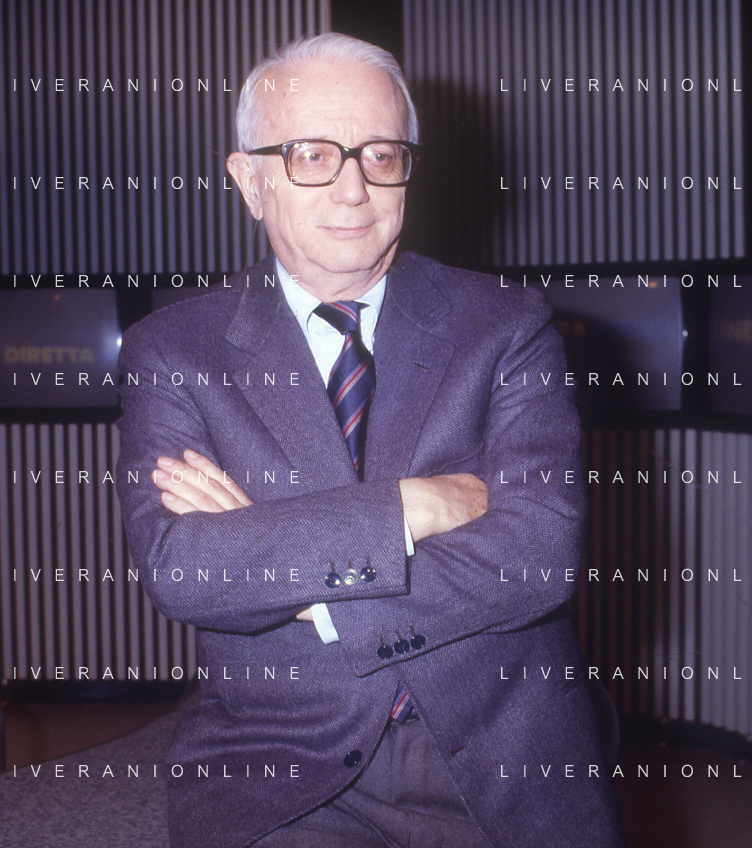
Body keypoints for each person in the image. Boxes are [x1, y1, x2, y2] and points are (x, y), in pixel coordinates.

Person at [114, 31, 627, 848]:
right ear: (249, 180)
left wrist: (289, 571)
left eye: (381, 155)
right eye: (312, 155)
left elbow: (539, 553)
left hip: (502, 758)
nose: (353, 189)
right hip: (282, 768)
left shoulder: (505, 325)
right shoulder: (172, 351)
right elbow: (184, 571)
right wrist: (409, 507)